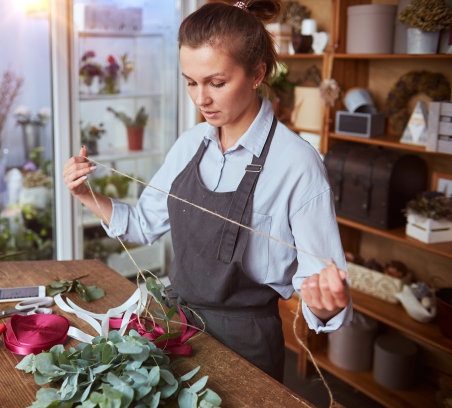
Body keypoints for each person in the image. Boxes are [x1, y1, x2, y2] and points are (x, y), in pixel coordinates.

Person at [63, 0, 352, 382]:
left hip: (247, 346)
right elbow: (141, 226)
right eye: (191, 82)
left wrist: (326, 305)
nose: (202, 99)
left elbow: (322, 285)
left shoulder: (297, 164)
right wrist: (87, 195)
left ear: (256, 74)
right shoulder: (190, 144)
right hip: (178, 331)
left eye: (217, 83)